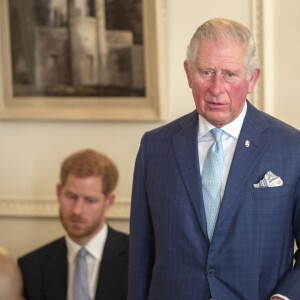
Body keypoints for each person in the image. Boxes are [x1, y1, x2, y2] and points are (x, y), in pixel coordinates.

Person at [128, 18, 300, 300]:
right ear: (188, 72)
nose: (216, 88)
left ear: (252, 79)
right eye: (206, 72)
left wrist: (285, 297)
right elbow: (140, 256)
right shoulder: (154, 147)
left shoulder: (292, 148)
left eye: (230, 74)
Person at [18, 149, 129, 300]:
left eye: (90, 200)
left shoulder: (138, 260)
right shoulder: (31, 267)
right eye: (71, 196)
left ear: (108, 202)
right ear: (58, 192)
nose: (77, 210)